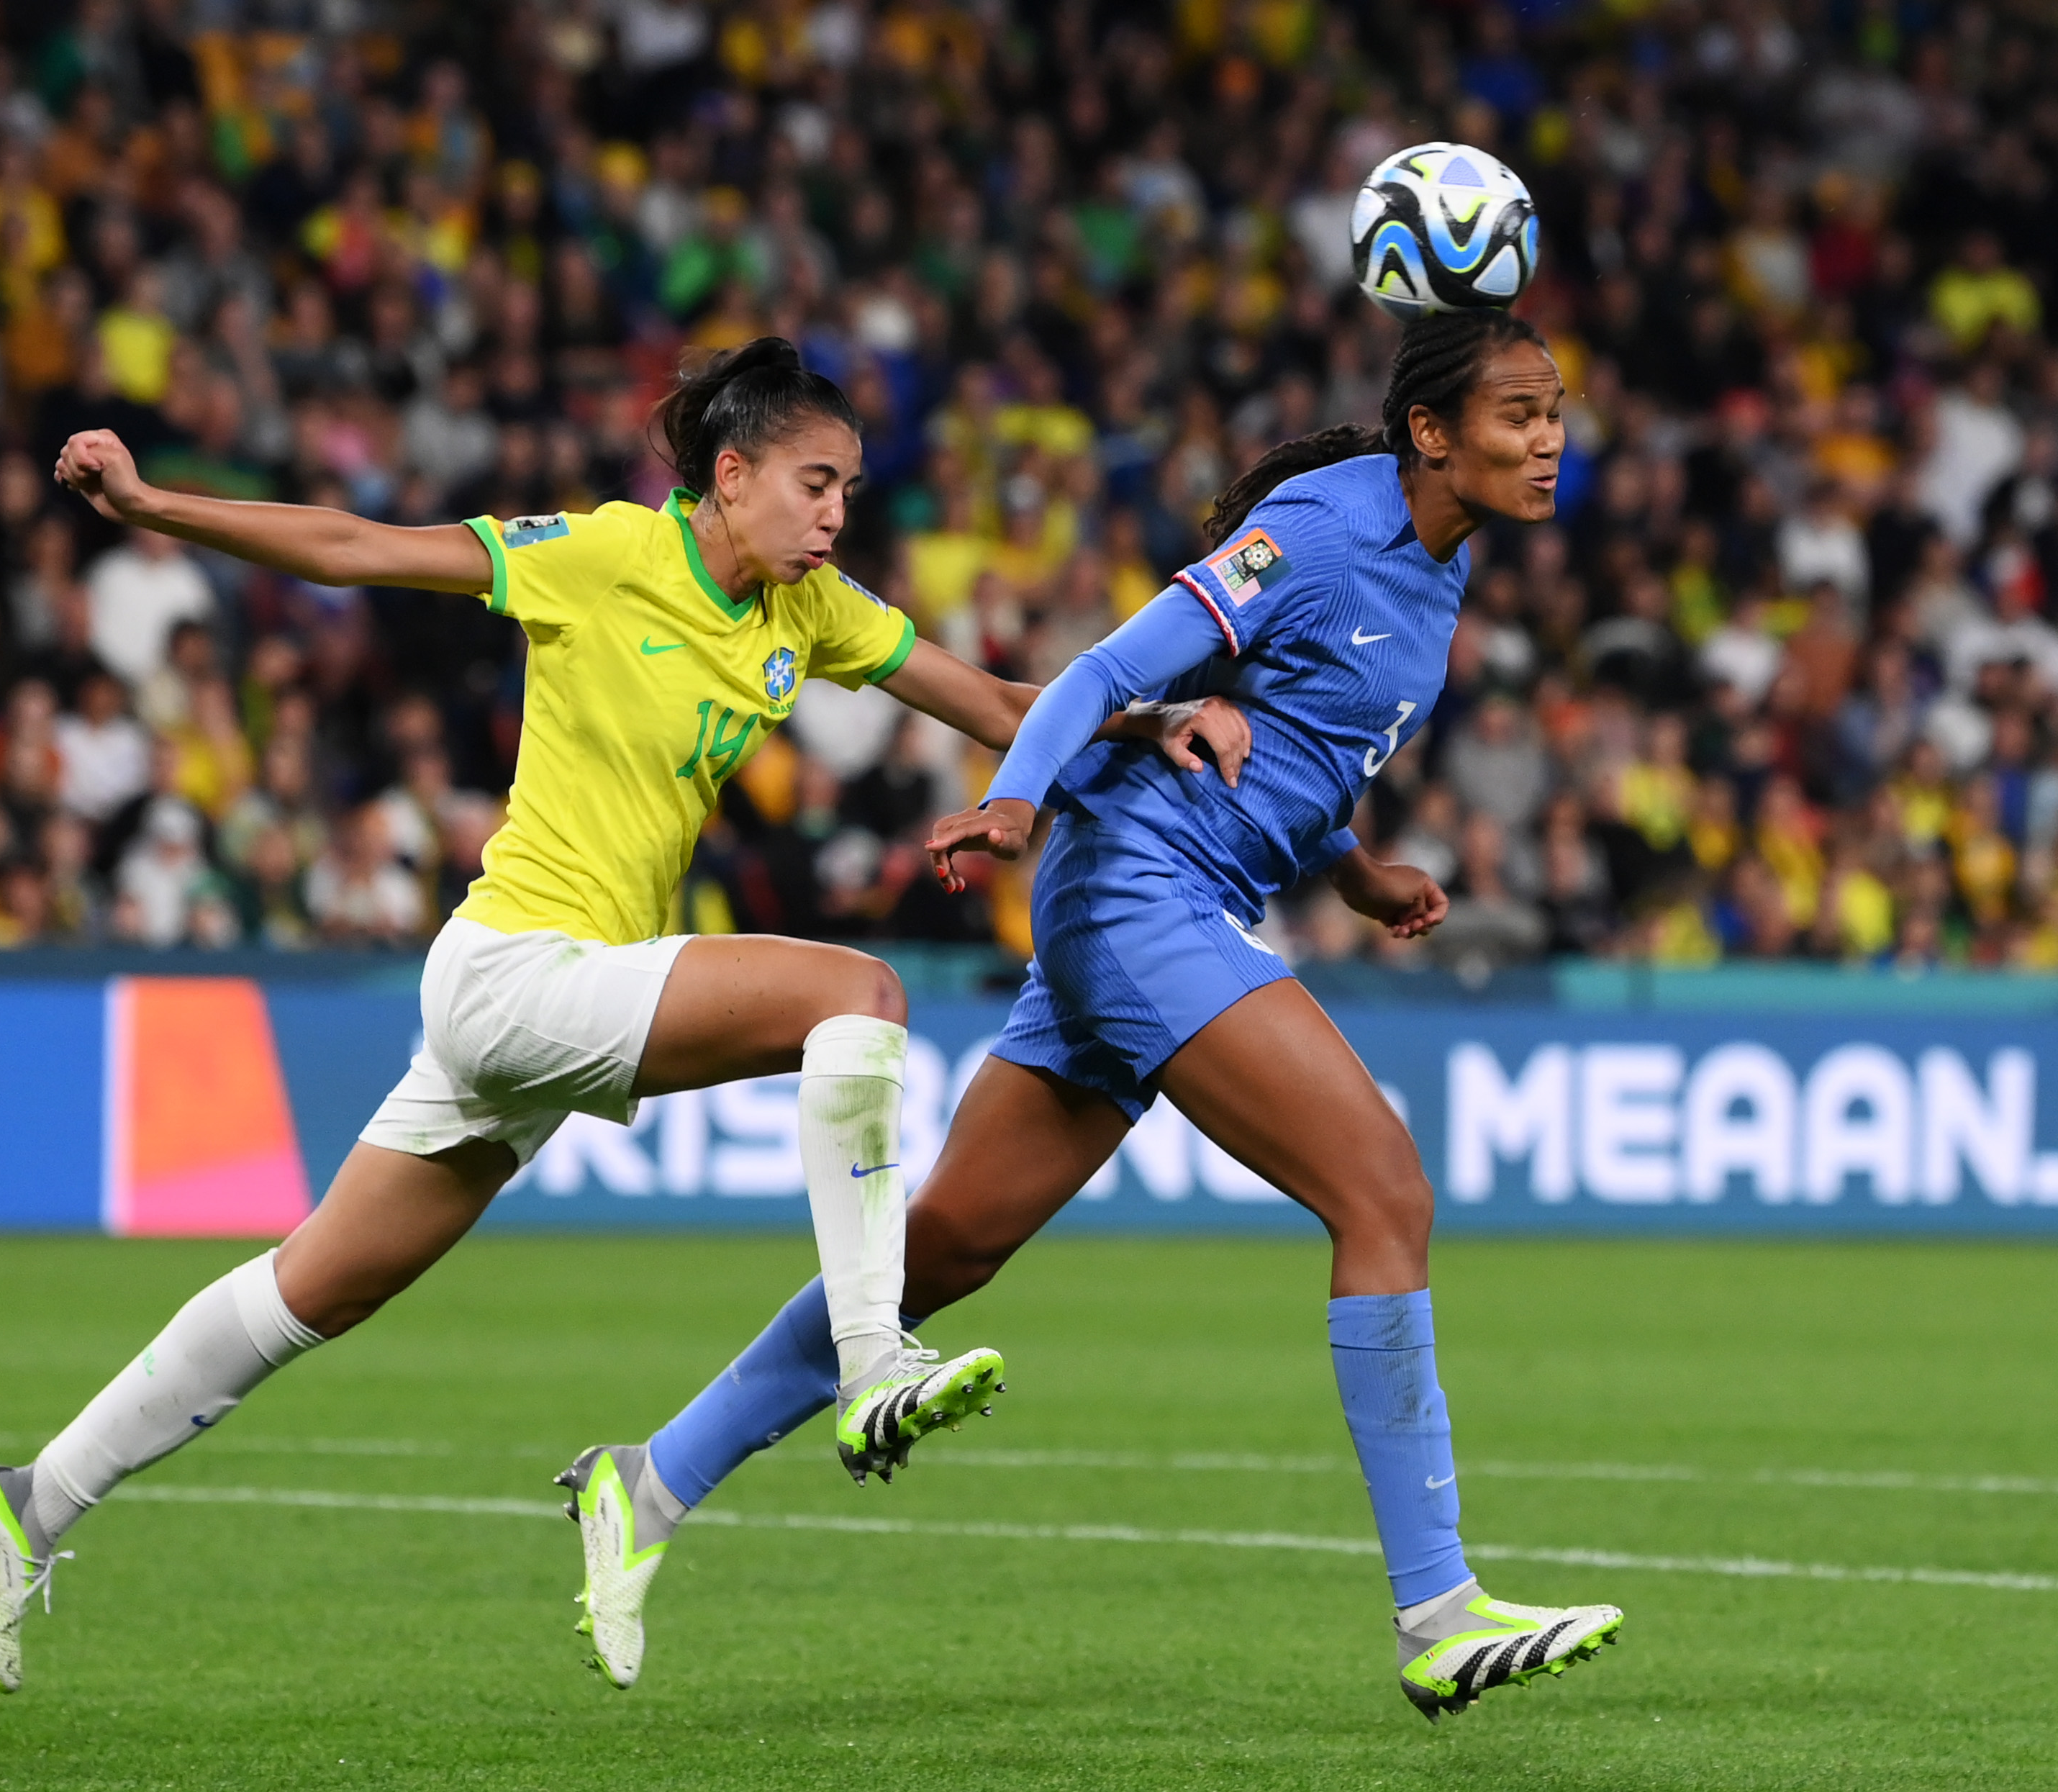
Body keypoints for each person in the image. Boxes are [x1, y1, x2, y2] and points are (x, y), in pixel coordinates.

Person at [0, 338, 1247, 1695]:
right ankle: (868, 1360)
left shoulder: (815, 609)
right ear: (730, 479)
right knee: (858, 995)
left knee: (312, 1287)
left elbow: (998, 706)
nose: (836, 515)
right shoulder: (606, 552)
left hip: (553, 1010)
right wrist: (156, 509)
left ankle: (25, 1502)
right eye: (813, 484)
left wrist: (1143, 722)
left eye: (848, 488)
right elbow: (355, 545)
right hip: (513, 969)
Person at [581, 312, 1625, 1719]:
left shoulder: (1439, 563)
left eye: (1552, 411)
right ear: (1430, 434)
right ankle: (1437, 1612)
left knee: (940, 1249)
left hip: (1161, 900)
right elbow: (1101, 673)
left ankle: (646, 1483)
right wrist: (1013, 795)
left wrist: (1357, 872)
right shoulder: (1318, 530)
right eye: (1516, 413)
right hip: (1135, 892)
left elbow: (1293, 745)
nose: (1546, 437)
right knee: (1383, 1192)